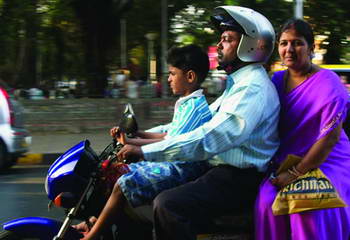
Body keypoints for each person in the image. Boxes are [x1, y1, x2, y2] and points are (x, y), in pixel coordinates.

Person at [117, 6, 280, 240]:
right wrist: (136, 136)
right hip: (218, 172)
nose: (220, 45)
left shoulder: (252, 88)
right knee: (133, 184)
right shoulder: (237, 85)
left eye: (227, 39)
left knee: (167, 205)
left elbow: (210, 136)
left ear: (250, 45)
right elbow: (195, 125)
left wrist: (145, 151)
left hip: (237, 179)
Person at [75, 44, 213, 240]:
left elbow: (170, 144)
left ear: (190, 77)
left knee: (124, 182)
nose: (169, 79)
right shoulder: (187, 104)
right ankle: (95, 220)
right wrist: (132, 138)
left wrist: (136, 147)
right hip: (173, 162)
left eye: (173, 74)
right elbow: (168, 135)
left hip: (181, 169)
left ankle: (93, 235)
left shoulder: (194, 109)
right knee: (114, 171)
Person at [254, 18, 350, 240]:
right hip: (288, 158)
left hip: (327, 159)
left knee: (308, 207)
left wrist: (296, 173)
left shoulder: (329, 83)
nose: (289, 49)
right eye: (284, 43)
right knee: (267, 201)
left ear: (311, 47)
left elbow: (329, 138)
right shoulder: (276, 81)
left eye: (297, 43)